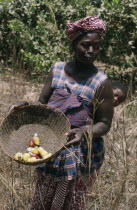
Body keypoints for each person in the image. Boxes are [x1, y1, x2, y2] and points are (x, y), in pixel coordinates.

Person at [9, 16, 114, 210]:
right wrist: (26, 105)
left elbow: (105, 123)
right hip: (52, 146)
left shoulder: (101, 82)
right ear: (74, 44)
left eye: (96, 46)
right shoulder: (57, 70)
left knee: (71, 203)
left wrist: (84, 131)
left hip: (81, 154)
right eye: (85, 45)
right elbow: (43, 104)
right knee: (43, 200)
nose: (91, 51)